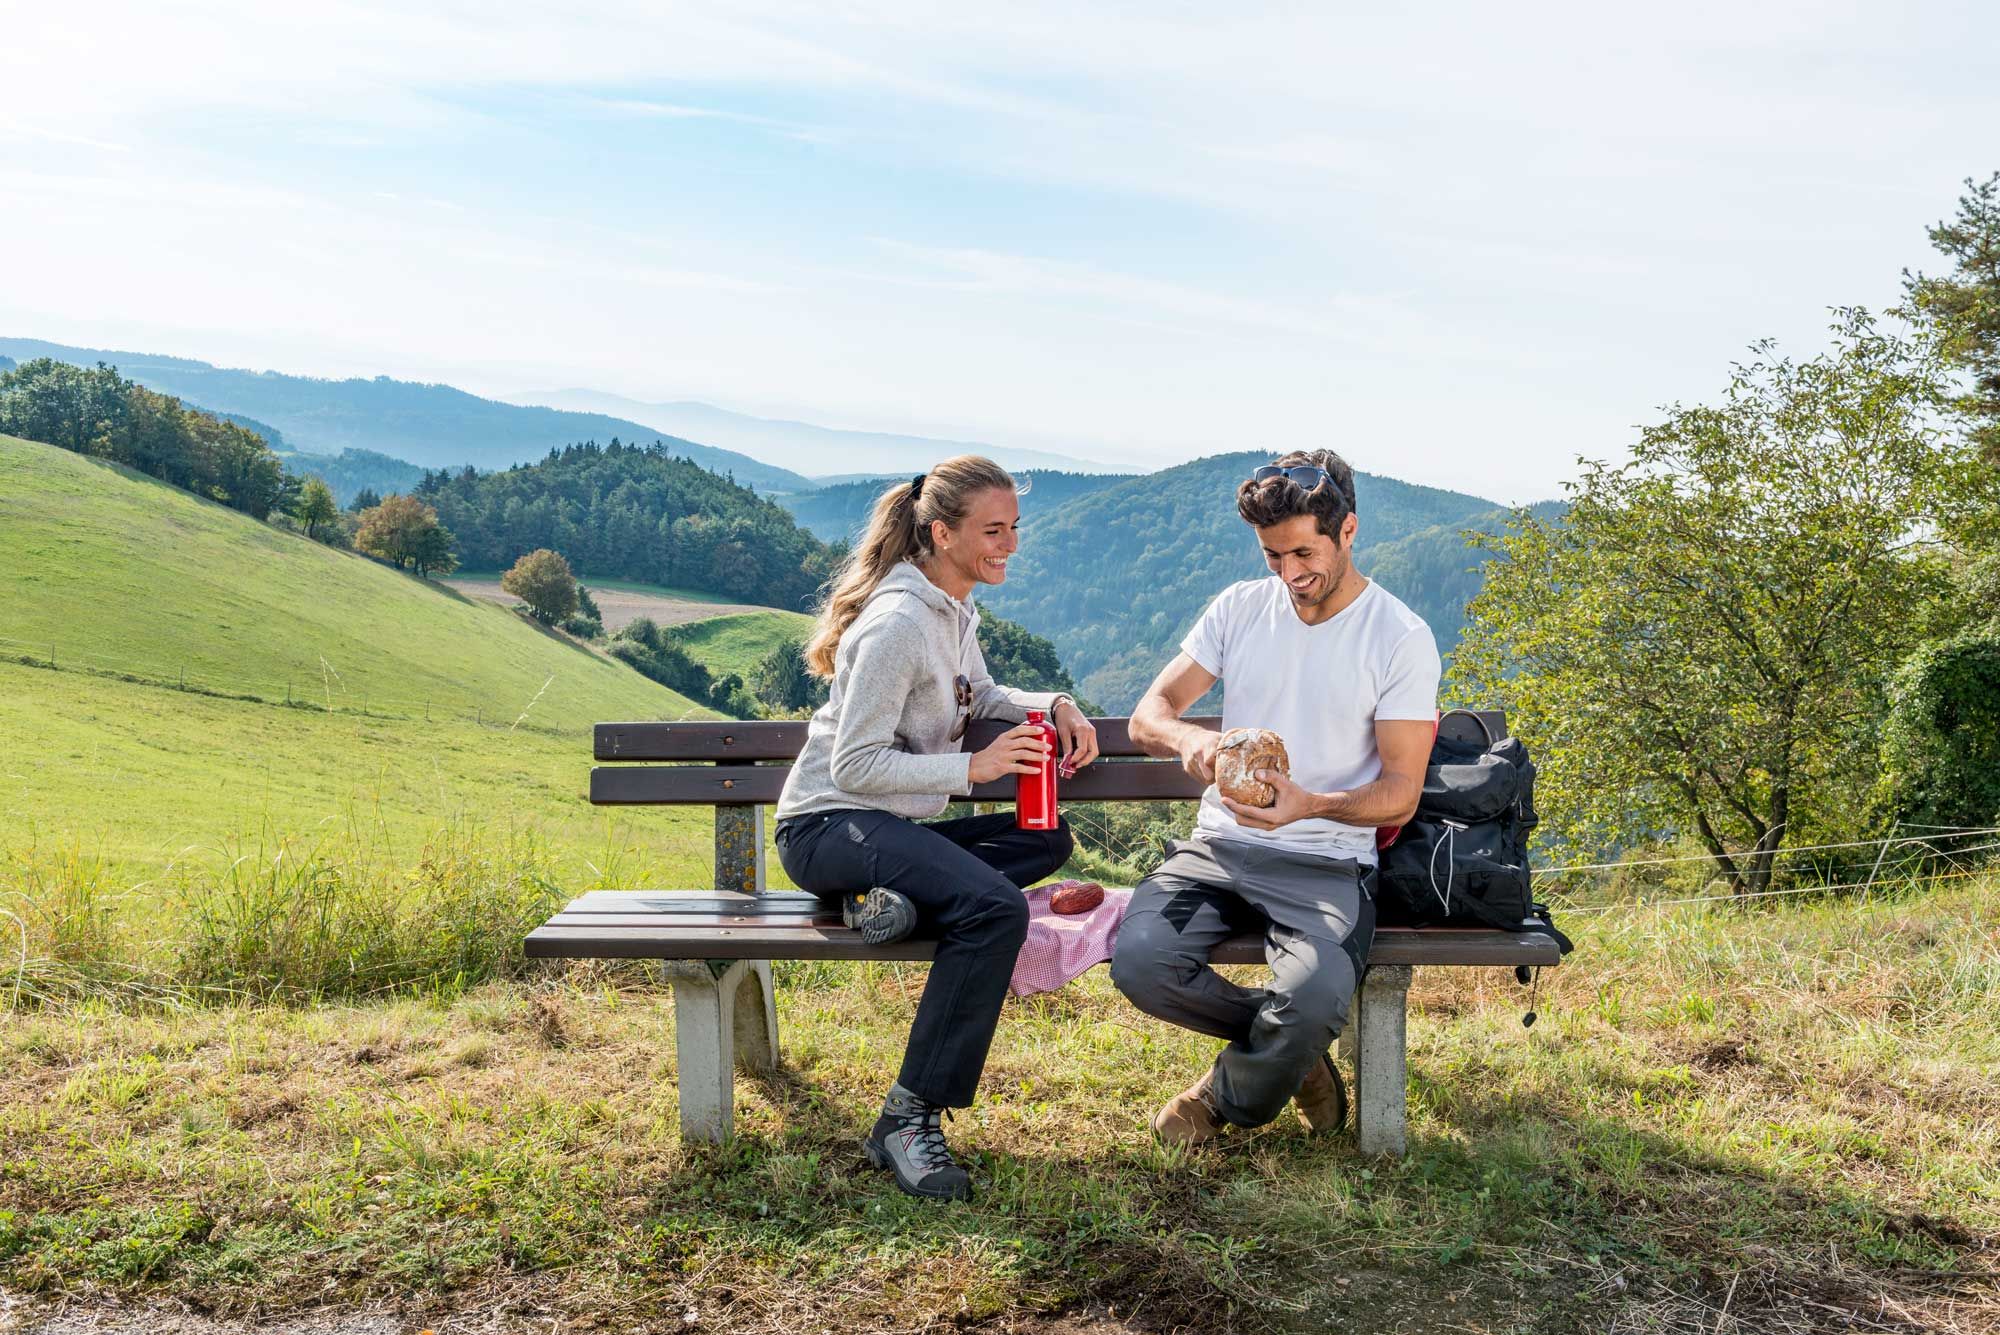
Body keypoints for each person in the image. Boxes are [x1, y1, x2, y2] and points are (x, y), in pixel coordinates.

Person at [774, 455, 1101, 1200]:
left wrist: (1053, 701)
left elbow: (980, 691)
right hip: (829, 827)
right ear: (942, 532)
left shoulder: (951, 607)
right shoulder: (896, 624)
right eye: (993, 531)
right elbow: (855, 766)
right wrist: (973, 771)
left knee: (1046, 838)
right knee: (992, 907)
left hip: (888, 829)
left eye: (1014, 527)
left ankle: (895, 902)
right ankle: (908, 1116)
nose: (1009, 545)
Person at [1110, 448, 1440, 1145]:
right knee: (1140, 963)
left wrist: (1309, 803)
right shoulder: (1238, 608)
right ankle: (1295, 1047)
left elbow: (1400, 793)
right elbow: (1149, 713)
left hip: (1326, 861)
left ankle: (1220, 1098)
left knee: (1317, 993)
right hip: (1219, 850)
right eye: (1271, 556)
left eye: (1302, 553)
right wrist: (1188, 741)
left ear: (1347, 531)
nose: (1289, 574)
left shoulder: (1399, 637)